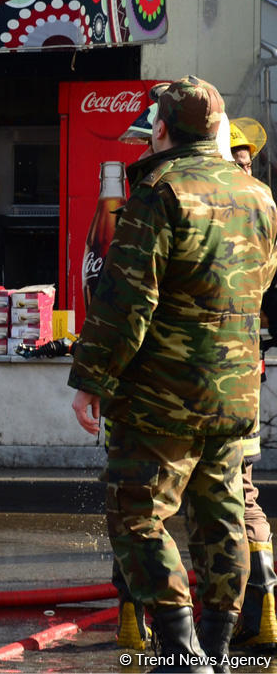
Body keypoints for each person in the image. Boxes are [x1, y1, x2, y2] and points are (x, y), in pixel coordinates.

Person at [69, 76, 277, 672]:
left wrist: (92, 380)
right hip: (235, 390)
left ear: (160, 130)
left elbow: (125, 301)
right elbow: (262, 289)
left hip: (164, 394)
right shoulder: (259, 196)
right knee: (222, 511)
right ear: (217, 132)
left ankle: (181, 650)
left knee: (137, 510)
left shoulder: (158, 189)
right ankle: (218, 645)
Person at [229, 118, 277, 649]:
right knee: (241, 492)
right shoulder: (264, 204)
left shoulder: (197, 200)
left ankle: (149, 623)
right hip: (243, 366)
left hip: (187, 375)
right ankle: (262, 608)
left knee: (148, 500)